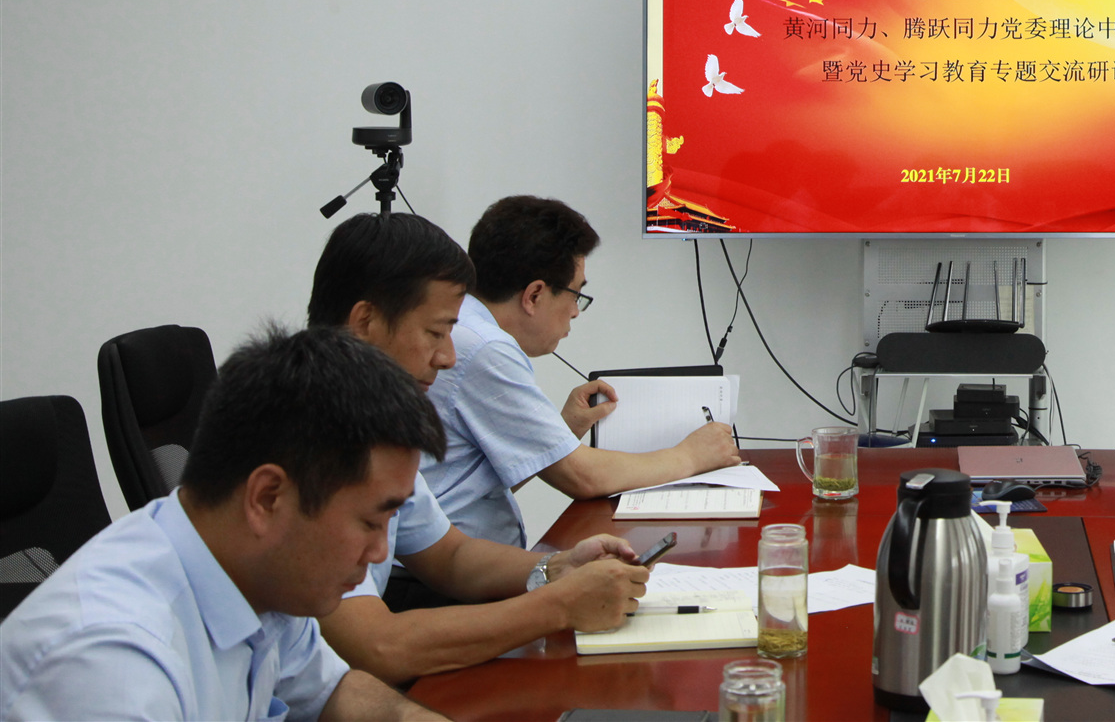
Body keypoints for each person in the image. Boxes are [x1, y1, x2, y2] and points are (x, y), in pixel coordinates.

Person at [0, 326, 447, 721]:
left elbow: (331, 691)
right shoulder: (114, 672)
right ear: (267, 498)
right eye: (370, 521)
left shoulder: (262, 573)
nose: (380, 551)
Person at [306, 212, 650, 681]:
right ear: (365, 322)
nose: (448, 357)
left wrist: (557, 567)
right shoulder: (308, 441)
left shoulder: (377, 425)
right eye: (435, 333)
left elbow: (450, 556)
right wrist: (559, 605)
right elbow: (378, 645)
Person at [421, 194, 739, 546]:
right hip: (444, 567)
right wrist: (689, 456)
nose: (575, 311)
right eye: (575, 295)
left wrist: (562, 430)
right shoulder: (486, 347)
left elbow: (468, 480)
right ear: (534, 295)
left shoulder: (465, 326)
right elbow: (581, 477)